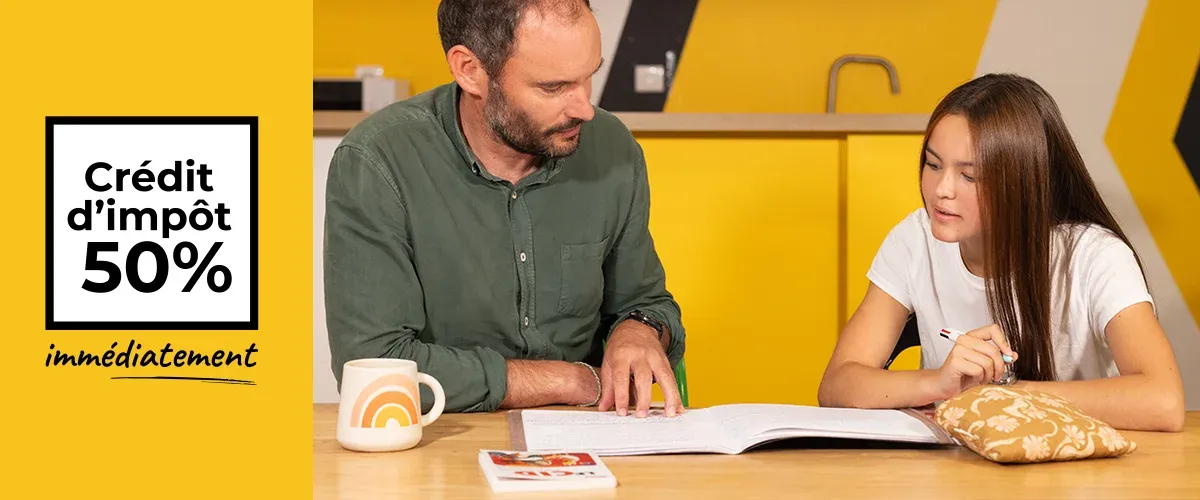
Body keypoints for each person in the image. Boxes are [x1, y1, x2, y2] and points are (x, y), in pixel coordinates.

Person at [323, 0, 685, 417]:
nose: (584, 107)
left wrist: (638, 330)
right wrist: (570, 379)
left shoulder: (612, 147)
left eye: (590, 76)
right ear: (470, 70)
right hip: (440, 439)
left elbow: (646, 302)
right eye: (553, 87)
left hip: (589, 436)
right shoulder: (378, 160)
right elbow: (374, 366)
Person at [817, 73, 1185, 432]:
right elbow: (838, 383)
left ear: (1021, 183)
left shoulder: (1095, 257)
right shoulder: (914, 240)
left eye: (969, 176)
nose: (941, 190)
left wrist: (1004, 394)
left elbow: (1163, 400)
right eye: (933, 164)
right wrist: (941, 383)